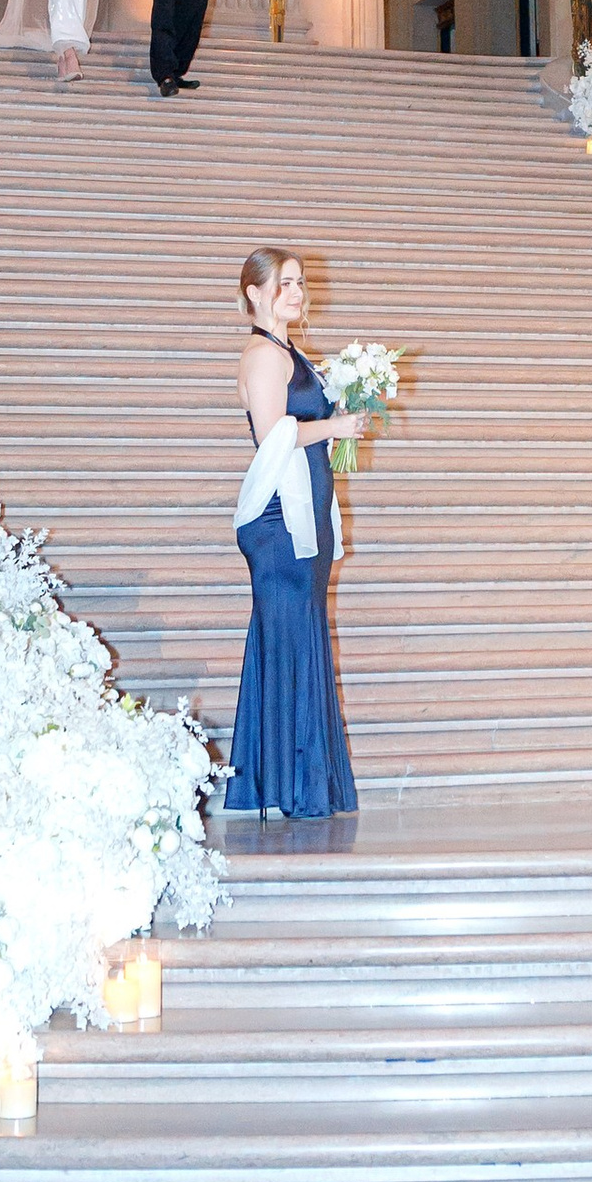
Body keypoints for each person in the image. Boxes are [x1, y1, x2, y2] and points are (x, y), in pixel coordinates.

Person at [229, 247, 364, 820]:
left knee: (296, 644)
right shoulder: (264, 355)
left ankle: (291, 786)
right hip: (278, 525)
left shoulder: (290, 352)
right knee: (289, 646)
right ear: (256, 294)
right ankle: (293, 789)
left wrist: (332, 430)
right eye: (285, 284)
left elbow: (299, 431)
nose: (297, 293)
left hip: (300, 517)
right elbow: (273, 435)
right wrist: (333, 424)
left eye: (300, 283)